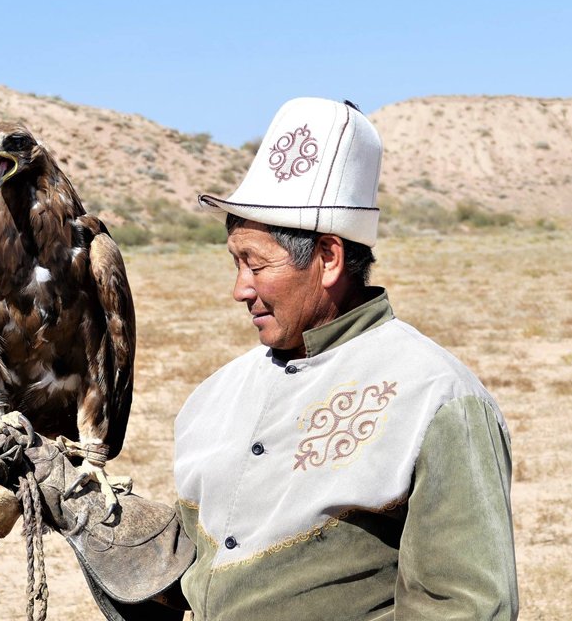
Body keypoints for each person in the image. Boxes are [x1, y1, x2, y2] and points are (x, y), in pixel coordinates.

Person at [172, 97, 519, 620]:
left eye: (255, 264)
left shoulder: (437, 397)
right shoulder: (212, 396)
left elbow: (466, 608)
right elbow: (189, 577)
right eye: (235, 263)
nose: (239, 289)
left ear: (329, 258)